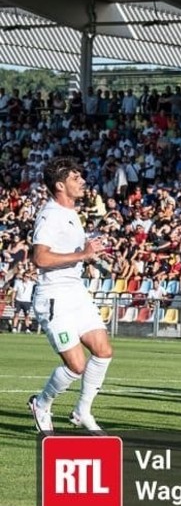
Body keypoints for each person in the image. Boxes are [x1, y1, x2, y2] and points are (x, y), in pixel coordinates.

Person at [27, 157, 112, 433]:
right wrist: (83, 254)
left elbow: (70, 254)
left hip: (76, 291)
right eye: (76, 178)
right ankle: (41, 403)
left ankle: (82, 410)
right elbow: (39, 258)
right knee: (76, 366)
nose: (83, 181)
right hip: (55, 297)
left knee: (103, 350)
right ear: (60, 185)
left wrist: (88, 252)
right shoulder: (51, 214)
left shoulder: (71, 213)